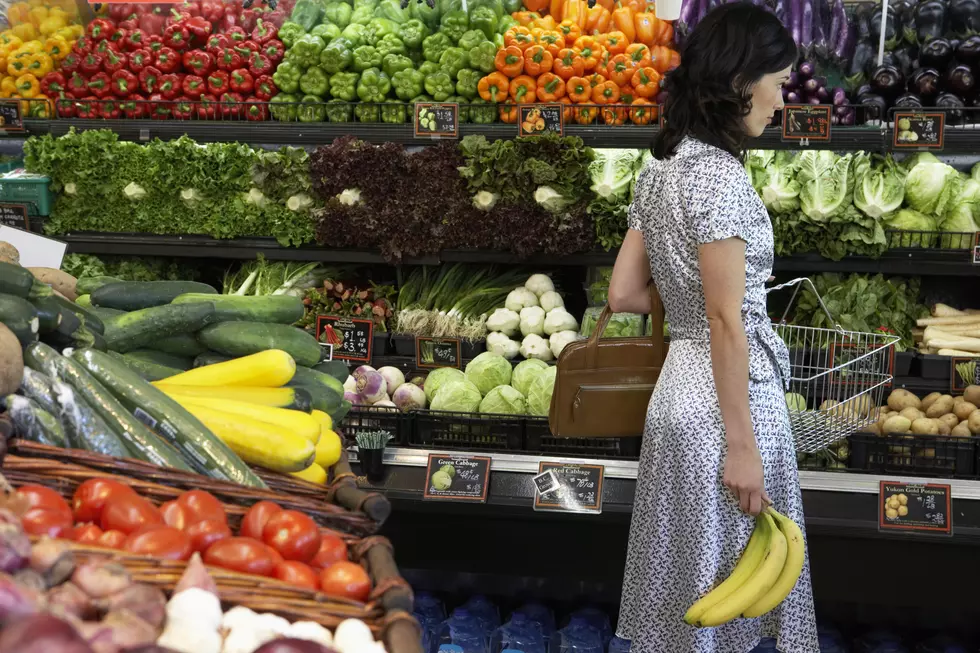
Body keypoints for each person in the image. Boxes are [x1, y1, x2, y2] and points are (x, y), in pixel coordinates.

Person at [607, 3, 819, 652]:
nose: (781, 100)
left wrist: (691, 302)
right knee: (735, 595)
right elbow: (727, 321)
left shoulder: (662, 168)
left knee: (687, 598)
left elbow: (623, 293)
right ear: (738, 83)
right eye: (778, 83)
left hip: (677, 396)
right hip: (728, 406)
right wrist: (742, 446)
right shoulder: (722, 181)